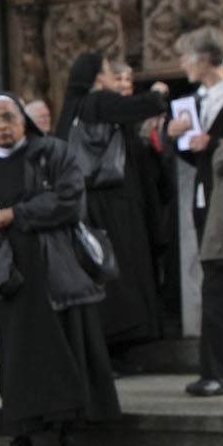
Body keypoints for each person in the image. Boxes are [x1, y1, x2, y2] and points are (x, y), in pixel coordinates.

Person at [0, 95, 120, 446]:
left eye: (8, 117)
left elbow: (71, 202)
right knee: (15, 357)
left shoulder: (53, 153)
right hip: (10, 275)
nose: (1, 126)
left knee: (60, 350)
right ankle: (19, 437)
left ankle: (67, 436)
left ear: (23, 120)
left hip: (52, 267)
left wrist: (17, 214)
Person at [53, 52, 172, 359]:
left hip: (89, 201)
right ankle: (122, 339)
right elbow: (144, 106)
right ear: (97, 77)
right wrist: (158, 92)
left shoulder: (72, 107)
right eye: (107, 72)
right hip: (110, 202)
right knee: (121, 269)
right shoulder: (96, 101)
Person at [169, 27, 223, 397]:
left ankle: (219, 373)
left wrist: (214, 142)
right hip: (208, 199)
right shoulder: (200, 99)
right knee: (217, 286)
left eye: (187, 58)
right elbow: (197, 157)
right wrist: (181, 139)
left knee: (216, 289)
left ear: (205, 60)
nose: (182, 65)